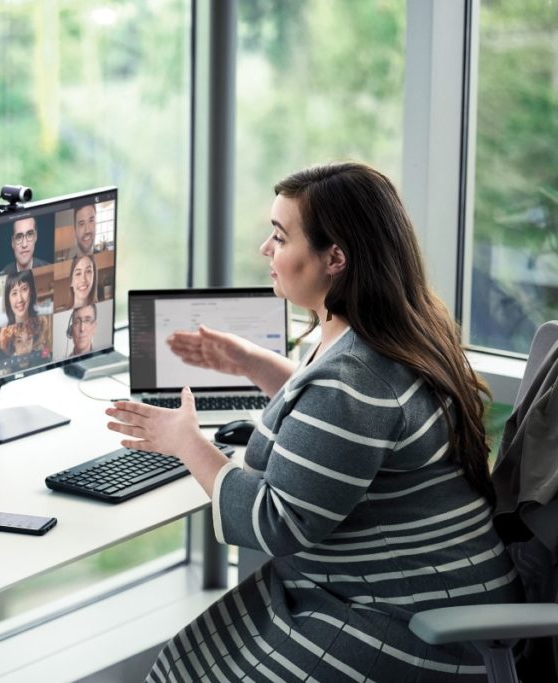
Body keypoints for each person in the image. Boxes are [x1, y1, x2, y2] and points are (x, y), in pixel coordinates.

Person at [105, 162, 521, 681]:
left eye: (280, 236)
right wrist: (252, 363)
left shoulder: (354, 381)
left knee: (182, 670)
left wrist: (185, 443)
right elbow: (346, 433)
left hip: (410, 624)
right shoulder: (393, 336)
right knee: (183, 663)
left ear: (335, 259)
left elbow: (277, 523)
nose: (265, 249)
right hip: (429, 588)